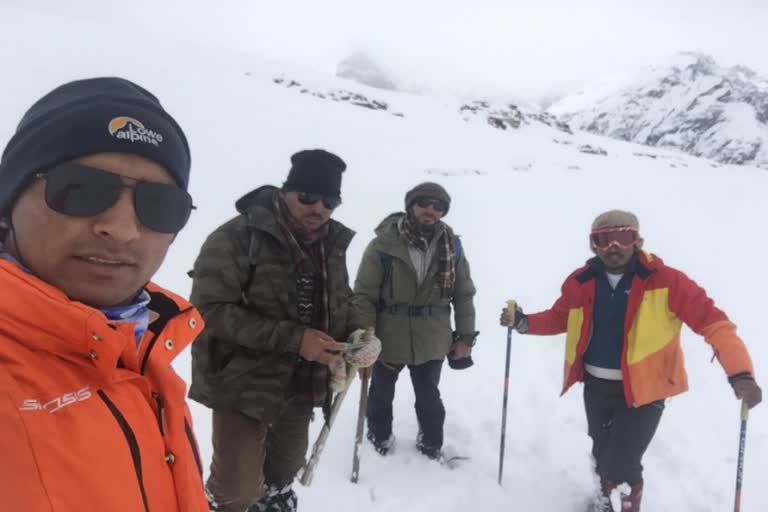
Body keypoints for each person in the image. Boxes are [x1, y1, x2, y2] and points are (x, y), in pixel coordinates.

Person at [0, 77, 207, 511]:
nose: (123, 229)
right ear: (9, 203)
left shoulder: (146, 353)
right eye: (80, 190)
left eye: (160, 204)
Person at [500, 209, 762, 512]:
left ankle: (625, 506)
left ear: (637, 240)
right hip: (596, 384)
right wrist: (523, 323)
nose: (614, 246)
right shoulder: (581, 280)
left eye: (624, 237)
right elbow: (562, 317)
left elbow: (715, 325)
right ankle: (603, 503)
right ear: (593, 245)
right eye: (604, 239)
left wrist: (741, 374)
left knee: (622, 462)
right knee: (601, 452)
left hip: (645, 390)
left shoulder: (667, 281)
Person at [189, 149, 368, 512]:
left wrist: (359, 338)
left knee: (286, 467)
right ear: (286, 191)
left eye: (330, 201)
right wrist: (295, 339)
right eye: (307, 197)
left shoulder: (331, 243)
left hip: (302, 383)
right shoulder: (238, 237)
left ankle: (273, 500)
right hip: (241, 380)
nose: (318, 208)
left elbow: (340, 301)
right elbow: (208, 311)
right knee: (237, 489)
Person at [353, 182, 477, 460]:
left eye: (438, 206)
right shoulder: (383, 244)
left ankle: (432, 444)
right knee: (381, 393)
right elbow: (364, 295)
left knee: (429, 395)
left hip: (433, 337)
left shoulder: (452, 246)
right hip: (388, 336)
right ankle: (379, 436)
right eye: (424, 203)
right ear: (411, 205)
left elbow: (464, 293)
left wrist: (466, 337)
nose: (430, 211)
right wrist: (365, 339)